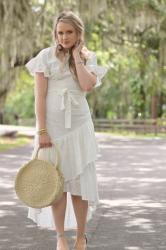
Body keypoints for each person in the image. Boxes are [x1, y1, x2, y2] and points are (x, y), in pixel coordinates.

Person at [25, 10, 107, 250]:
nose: (64, 37)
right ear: (55, 34)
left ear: (78, 33)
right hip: (53, 127)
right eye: (60, 33)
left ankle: (81, 237)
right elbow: (39, 97)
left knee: (80, 183)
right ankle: (60, 237)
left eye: (69, 32)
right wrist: (42, 131)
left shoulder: (87, 57)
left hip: (80, 126)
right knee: (55, 184)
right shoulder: (45, 57)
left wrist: (76, 56)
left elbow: (86, 85)